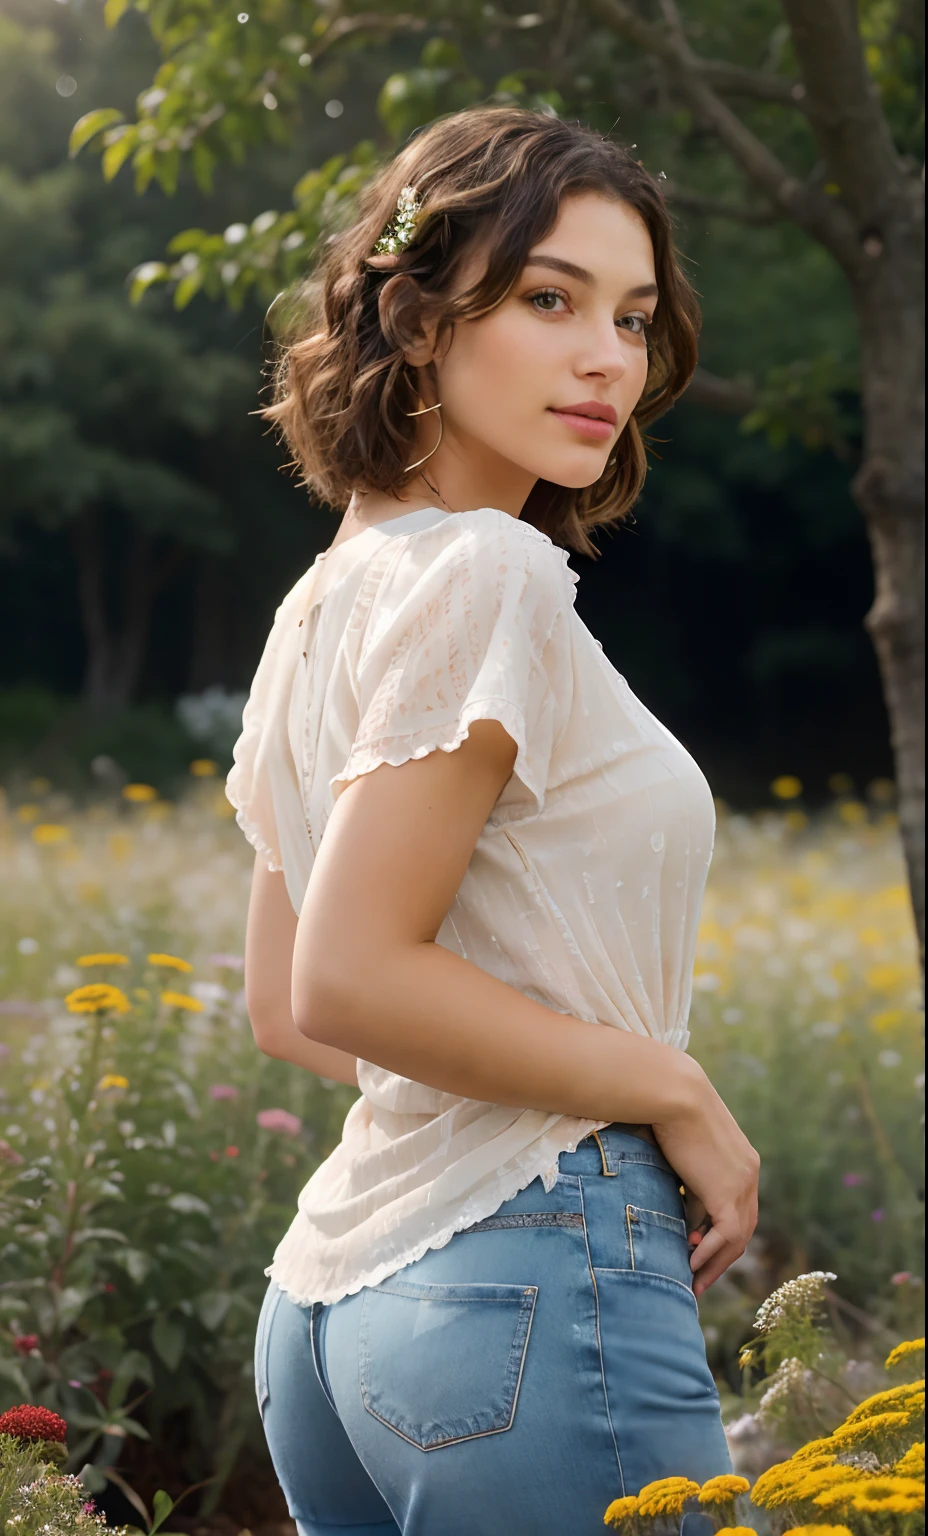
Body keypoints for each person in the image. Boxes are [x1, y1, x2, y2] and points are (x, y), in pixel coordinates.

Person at [226, 104, 760, 1536]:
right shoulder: (486, 574)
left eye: (635, 318)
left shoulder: (321, 603)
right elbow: (344, 983)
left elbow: (285, 1006)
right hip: (527, 1272)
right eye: (548, 299)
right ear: (414, 318)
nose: (608, 358)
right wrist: (667, 1085)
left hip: (339, 1314)